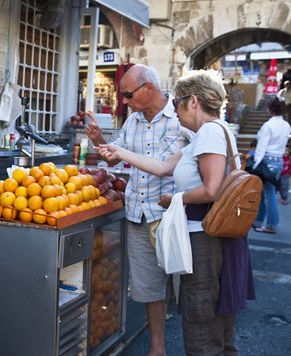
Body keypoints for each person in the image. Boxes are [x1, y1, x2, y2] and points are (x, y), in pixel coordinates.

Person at [96, 69, 255, 355]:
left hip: (205, 236)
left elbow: (211, 190)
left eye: (179, 102)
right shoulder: (204, 135)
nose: (176, 109)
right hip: (205, 234)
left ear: (193, 102)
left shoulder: (208, 133)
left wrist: (176, 199)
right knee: (213, 320)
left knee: (202, 321)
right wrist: (116, 151)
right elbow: (161, 167)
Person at [85, 64, 191, 356]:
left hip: (173, 217)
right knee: (148, 288)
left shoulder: (181, 118)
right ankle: (157, 349)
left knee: (187, 287)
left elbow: (165, 168)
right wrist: (100, 143)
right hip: (139, 215)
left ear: (149, 88)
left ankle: (199, 346)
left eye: (128, 95)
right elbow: (116, 157)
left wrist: (118, 152)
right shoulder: (132, 122)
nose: (125, 102)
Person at [252, 96, 291, 234]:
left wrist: (255, 164)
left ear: (271, 109)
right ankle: (259, 222)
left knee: (268, 195)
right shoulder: (286, 126)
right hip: (278, 160)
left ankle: (272, 225)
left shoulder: (268, 125)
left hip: (266, 160)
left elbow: (261, 146)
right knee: (268, 193)